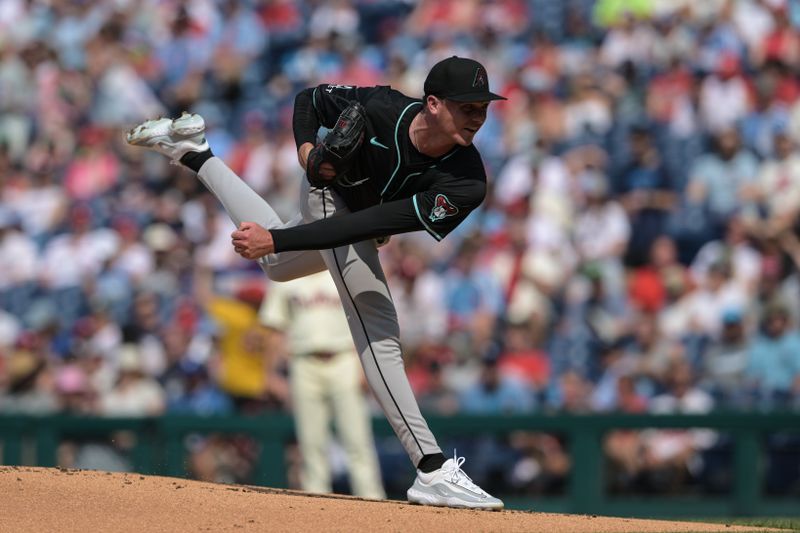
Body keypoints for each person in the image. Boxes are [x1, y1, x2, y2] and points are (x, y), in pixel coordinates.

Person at [126, 56, 505, 509]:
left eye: (483, 107)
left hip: (357, 219)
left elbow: (369, 224)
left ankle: (195, 153)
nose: (478, 117)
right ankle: (430, 467)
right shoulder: (384, 106)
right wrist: (308, 152)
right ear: (433, 104)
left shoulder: (466, 181)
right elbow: (309, 99)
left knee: (278, 265)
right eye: (468, 106)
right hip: (328, 191)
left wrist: (277, 239)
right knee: (376, 320)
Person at [259, 270, 385, 500]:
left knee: (357, 439)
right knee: (311, 442)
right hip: (302, 361)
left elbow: (366, 320)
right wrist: (269, 373)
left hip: (344, 357)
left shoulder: (341, 271)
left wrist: (364, 366)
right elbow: (275, 328)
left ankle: (372, 499)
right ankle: (316, 503)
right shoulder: (285, 276)